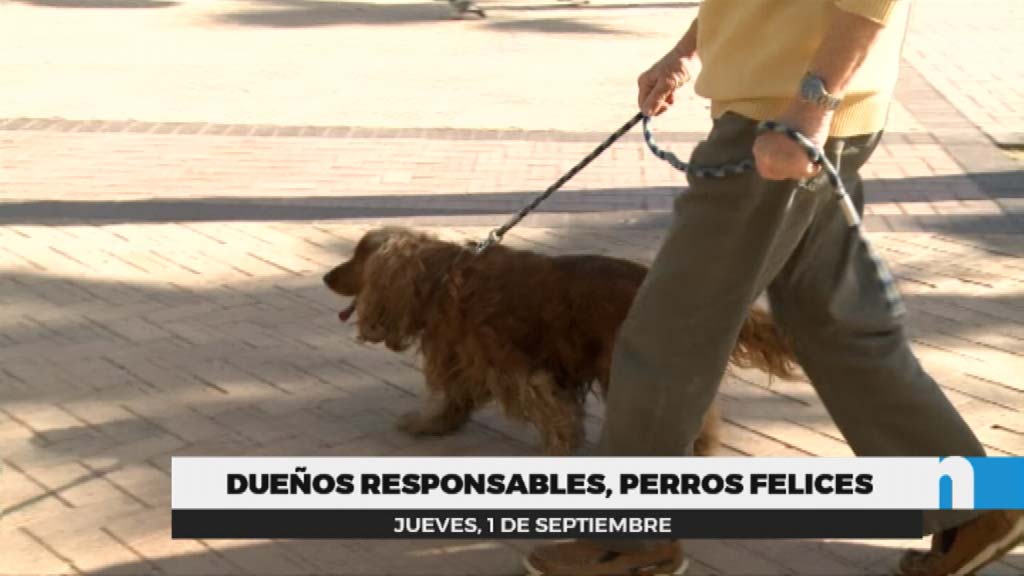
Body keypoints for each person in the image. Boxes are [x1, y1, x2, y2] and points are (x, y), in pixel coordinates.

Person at [523, 1, 1024, 574]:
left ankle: (628, 542)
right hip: (793, 112)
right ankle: (973, 509)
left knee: (668, 336)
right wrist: (689, 50)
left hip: (785, 119)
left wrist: (810, 107)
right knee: (836, 329)